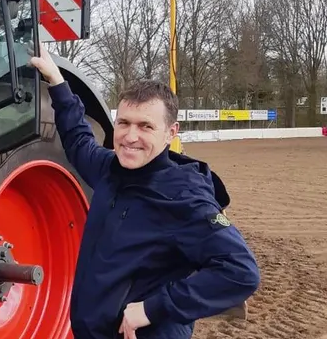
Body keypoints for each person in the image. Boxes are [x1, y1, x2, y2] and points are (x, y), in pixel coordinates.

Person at [28, 48, 260, 339]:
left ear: (170, 133)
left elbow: (241, 272)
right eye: (124, 123)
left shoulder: (185, 198)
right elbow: (78, 140)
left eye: (145, 126)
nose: (130, 136)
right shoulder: (110, 169)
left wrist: (152, 308)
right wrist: (57, 81)